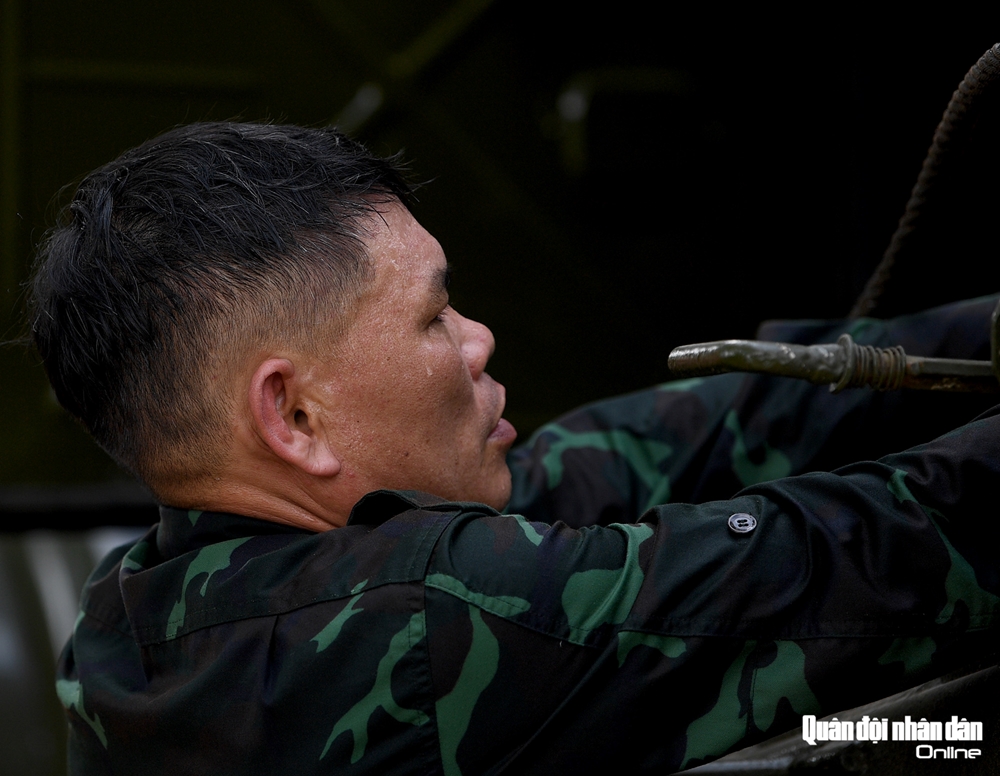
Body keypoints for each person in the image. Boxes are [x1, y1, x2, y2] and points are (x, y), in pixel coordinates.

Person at [32, 122, 1000, 775]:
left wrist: (968, 333)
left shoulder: (130, 620)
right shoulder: (422, 626)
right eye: (431, 316)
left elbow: (633, 449)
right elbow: (839, 560)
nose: (477, 336)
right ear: (295, 416)